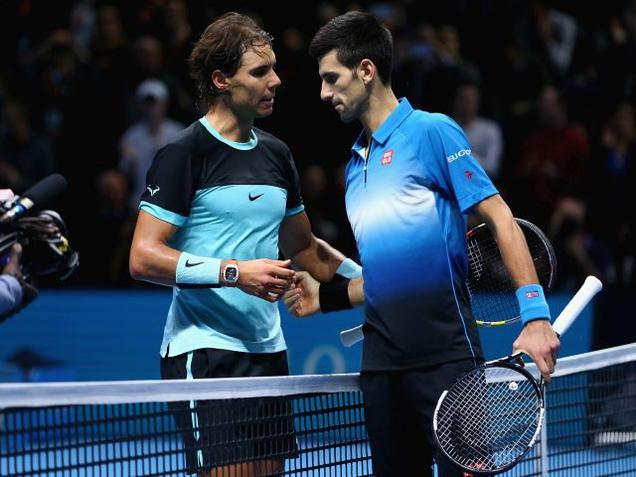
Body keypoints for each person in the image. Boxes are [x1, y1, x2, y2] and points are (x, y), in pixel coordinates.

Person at [284, 11, 560, 477]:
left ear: (366, 70)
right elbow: (391, 275)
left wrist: (534, 316)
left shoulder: (432, 132)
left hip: (446, 362)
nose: (324, 93)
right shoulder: (353, 167)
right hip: (382, 369)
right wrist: (325, 298)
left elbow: (499, 218)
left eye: (331, 78)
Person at [128, 12, 361, 477]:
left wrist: (375, 283)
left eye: (273, 68)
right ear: (221, 79)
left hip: (269, 352)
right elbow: (143, 257)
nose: (276, 80)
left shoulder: (276, 154)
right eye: (260, 72)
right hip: (206, 352)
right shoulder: (184, 153)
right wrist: (236, 271)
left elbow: (307, 249)